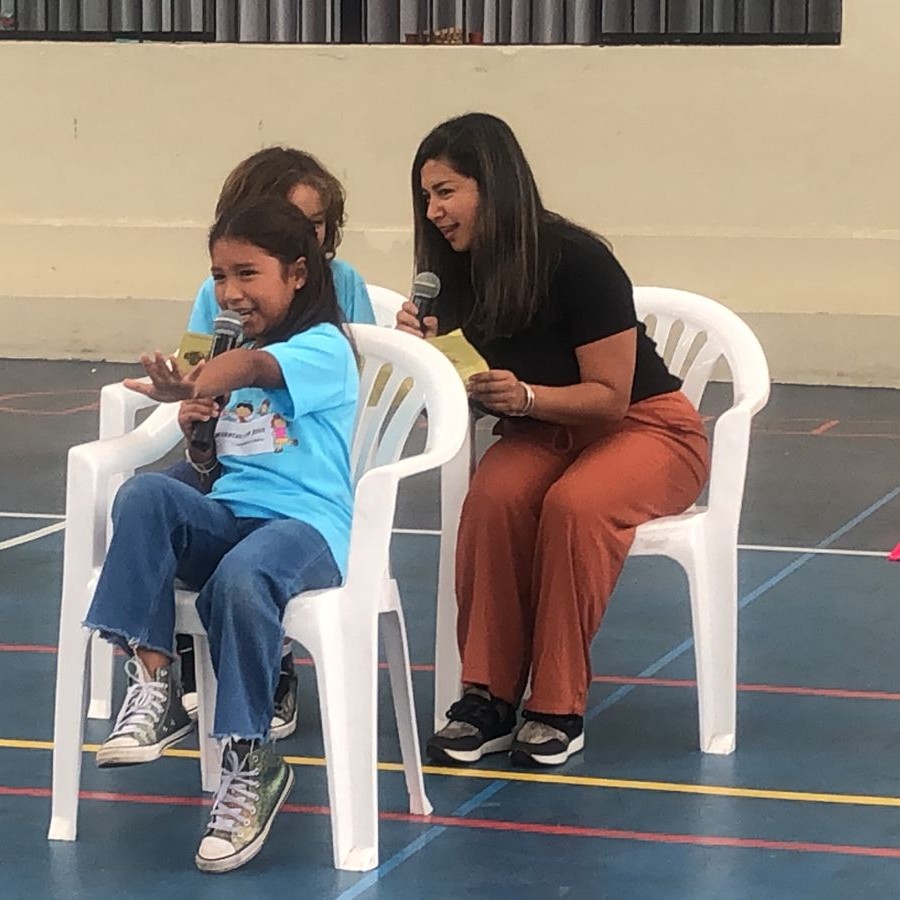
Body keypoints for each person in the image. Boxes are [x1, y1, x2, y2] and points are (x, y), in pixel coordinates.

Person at [396, 113, 710, 768]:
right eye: (426, 197)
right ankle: (487, 697)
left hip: (646, 426)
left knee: (577, 505)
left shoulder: (579, 261)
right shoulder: (454, 276)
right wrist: (429, 361)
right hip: (542, 429)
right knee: (494, 497)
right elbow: (468, 397)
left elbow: (610, 397)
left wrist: (527, 398)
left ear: (494, 185)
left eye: (446, 192)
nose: (433, 212)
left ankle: (557, 704)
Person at [84, 197, 359, 872]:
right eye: (218, 276)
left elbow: (255, 370)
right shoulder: (232, 355)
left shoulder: (323, 347)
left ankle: (251, 757)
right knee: (146, 494)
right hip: (233, 512)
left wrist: (200, 376)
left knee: (243, 575)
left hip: (305, 528)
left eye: (247, 274)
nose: (230, 293)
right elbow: (213, 472)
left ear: (297, 274)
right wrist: (200, 438)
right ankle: (156, 679)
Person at [175, 146, 375, 736]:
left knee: (257, 558)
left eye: (316, 225)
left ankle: (268, 671)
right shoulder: (219, 292)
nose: (306, 234)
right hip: (233, 452)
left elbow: (356, 370)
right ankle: (166, 661)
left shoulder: (340, 290)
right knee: (155, 499)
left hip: (305, 460)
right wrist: (195, 422)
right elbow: (197, 366)